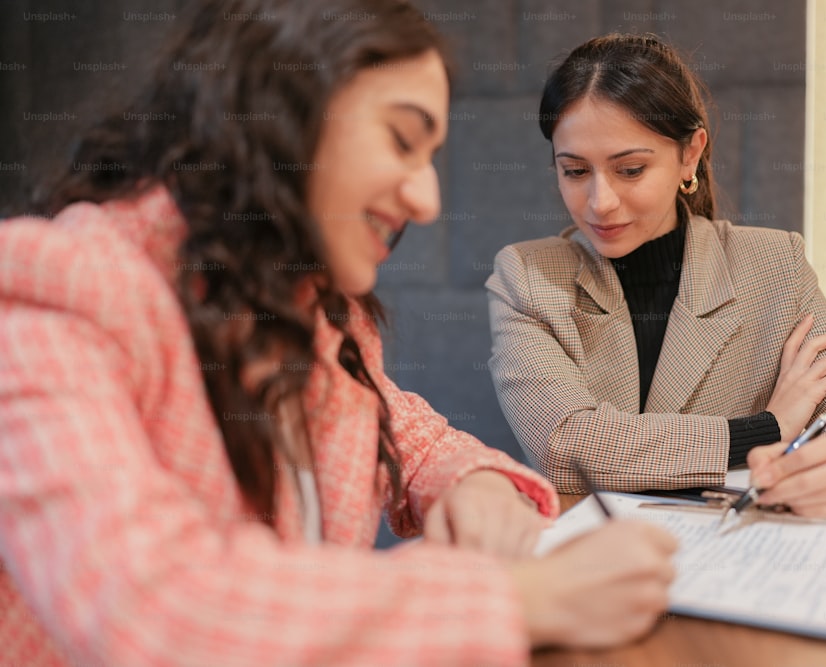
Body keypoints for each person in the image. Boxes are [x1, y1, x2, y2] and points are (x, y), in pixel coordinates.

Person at [0, 5, 678, 665]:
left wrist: (473, 480)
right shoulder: (56, 293)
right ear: (286, 113)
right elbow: (154, 605)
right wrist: (516, 597)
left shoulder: (312, 307)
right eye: (401, 140)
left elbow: (405, 431)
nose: (427, 199)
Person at [487, 33, 826, 519]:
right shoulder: (526, 276)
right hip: (597, 563)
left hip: (748, 556)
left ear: (690, 154)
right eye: (574, 171)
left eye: (630, 170)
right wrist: (769, 427)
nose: (600, 202)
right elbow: (568, 448)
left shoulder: (774, 264)